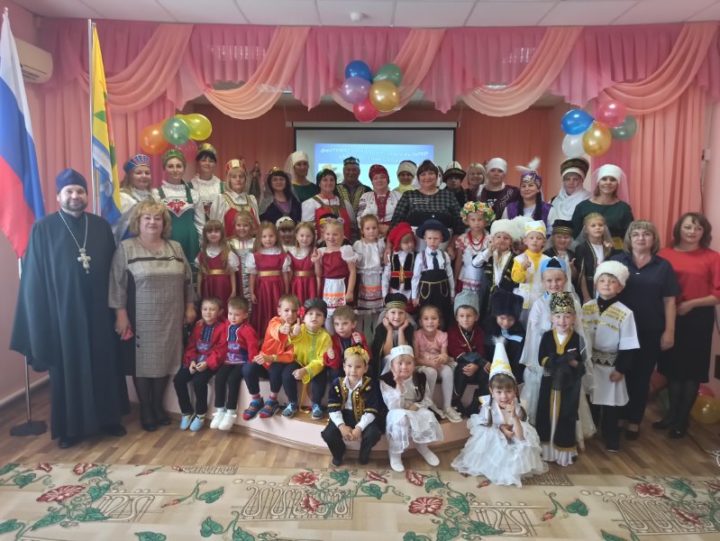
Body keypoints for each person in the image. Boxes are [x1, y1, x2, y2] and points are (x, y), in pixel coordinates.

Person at [12, 168, 128, 449]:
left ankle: (109, 419)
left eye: (80, 191)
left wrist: (119, 310)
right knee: (68, 370)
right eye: (70, 191)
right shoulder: (43, 228)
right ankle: (71, 429)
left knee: (104, 363)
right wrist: (41, 320)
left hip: (99, 312)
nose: (75, 196)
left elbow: (115, 272)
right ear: (58, 196)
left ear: (87, 195)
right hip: (64, 315)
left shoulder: (100, 226)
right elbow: (34, 279)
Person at [109, 199, 196, 433]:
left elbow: (188, 280)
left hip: (172, 315)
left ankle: (158, 405)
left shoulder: (175, 247)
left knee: (167, 360)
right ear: (138, 222)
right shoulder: (126, 248)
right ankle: (146, 408)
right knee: (144, 364)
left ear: (164, 223)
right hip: (141, 316)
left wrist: (190, 306)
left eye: (157, 218)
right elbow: (117, 284)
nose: (152, 222)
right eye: (147, 218)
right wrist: (120, 315)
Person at [611, 220, 679, 440]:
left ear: (654, 239)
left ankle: (634, 420)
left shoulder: (663, 266)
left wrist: (669, 331)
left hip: (650, 330)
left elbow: (669, 301)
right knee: (619, 374)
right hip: (618, 330)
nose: (641, 238)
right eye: (636, 234)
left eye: (646, 234)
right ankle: (618, 417)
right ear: (629, 239)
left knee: (641, 377)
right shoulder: (617, 262)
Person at [655, 212, 720, 438]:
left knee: (691, 372)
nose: (692, 232)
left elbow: (718, 293)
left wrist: (691, 304)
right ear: (679, 229)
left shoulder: (712, 257)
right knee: (672, 369)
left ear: (704, 232)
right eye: (688, 227)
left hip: (698, 319)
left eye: (698, 228)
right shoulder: (664, 254)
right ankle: (671, 416)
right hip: (669, 316)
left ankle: (682, 421)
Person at [451, 339, 547, 486]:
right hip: (495, 438)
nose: (504, 396)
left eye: (508, 391)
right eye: (499, 392)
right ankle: (494, 466)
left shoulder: (518, 406)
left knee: (522, 444)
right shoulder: (488, 407)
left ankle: (514, 468)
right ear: (491, 391)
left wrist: (514, 417)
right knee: (493, 439)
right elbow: (485, 428)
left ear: (515, 390)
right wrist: (501, 429)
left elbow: (521, 437)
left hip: (515, 436)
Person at [519, 257, 588, 426]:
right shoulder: (539, 304)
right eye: (549, 280)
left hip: (567, 352)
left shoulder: (574, 303)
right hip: (546, 353)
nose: (554, 284)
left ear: (566, 279)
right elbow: (533, 333)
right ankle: (541, 425)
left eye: (558, 279)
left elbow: (579, 329)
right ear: (543, 281)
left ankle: (565, 428)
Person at [582, 261, 639, 452]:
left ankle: (611, 437)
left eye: (612, 281)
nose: (606, 284)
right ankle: (588, 434)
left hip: (610, 367)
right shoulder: (586, 308)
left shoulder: (625, 313)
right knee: (590, 402)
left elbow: (629, 344)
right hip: (590, 365)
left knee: (610, 406)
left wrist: (621, 369)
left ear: (620, 287)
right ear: (596, 284)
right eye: (602, 280)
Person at [536, 292, 587, 466]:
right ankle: (547, 450)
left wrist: (572, 362)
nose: (562, 321)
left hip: (569, 385)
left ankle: (563, 451)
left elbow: (581, 365)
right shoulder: (547, 336)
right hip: (549, 381)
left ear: (574, 318)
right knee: (545, 412)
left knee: (566, 414)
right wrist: (558, 360)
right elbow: (541, 359)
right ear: (552, 317)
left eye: (567, 316)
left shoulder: (578, 339)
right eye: (558, 316)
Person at [380, 345, 444, 472]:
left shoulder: (420, 378)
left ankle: (422, 446)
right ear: (392, 366)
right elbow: (392, 406)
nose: (404, 367)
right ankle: (395, 452)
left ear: (414, 365)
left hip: (415, 408)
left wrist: (417, 405)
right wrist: (399, 387)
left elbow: (426, 398)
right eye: (400, 363)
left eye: (408, 363)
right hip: (396, 410)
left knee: (427, 415)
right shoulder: (386, 380)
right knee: (402, 418)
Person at [322, 347, 383, 466]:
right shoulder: (337, 383)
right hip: (343, 414)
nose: (353, 370)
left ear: (365, 368)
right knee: (328, 434)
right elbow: (333, 407)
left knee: (373, 433)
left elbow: (371, 410)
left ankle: (364, 453)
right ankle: (339, 453)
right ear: (344, 367)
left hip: (364, 416)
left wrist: (359, 428)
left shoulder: (370, 385)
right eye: (349, 366)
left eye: (358, 367)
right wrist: (341, 426)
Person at [243, 295, 301, 420]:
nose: (290, 314)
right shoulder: (274, 321)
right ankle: (256, 400)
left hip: (276, 363)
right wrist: (282, 329)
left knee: (276, 368)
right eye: (286, 310)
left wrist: (272, 358)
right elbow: (275, 330)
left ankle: (272, 400)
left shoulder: (299, 330)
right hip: (264, 362)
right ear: (279, 311)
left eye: (294, 311)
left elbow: (290, 356)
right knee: (248, 368)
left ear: (298, 312)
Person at [174, 297, 227, 432]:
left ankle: (200, 414)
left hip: (210, 363)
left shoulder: (223, 328)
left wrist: (207, 363)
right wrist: (192, 360)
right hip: (196, 360)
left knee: (199, 381)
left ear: (220, 312)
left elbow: (220, 350)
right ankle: (186, 411)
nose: (208, 312)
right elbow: (191, 346)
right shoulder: (198, 326)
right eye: (205, 309)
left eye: (212, 309)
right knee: (178, 379)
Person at [391, 160, 465, 251]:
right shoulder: (409, 195)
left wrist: (451, 246)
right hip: (412, 250)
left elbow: (459, 225)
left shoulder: (448, 195)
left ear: (437, 176)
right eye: (423, 174)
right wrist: (389, 246)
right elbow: (396, 223)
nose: (427, 177)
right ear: (418, 178)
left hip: (444, 250)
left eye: (431, 173)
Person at [210, 297, 258, 431]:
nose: (233, 317)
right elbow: (217, 320)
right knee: (219, 378)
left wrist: (251, 362)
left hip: (241, 362)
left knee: (232, 380)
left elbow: (252, 347)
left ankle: (231, 412)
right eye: (230, 314)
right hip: (228, 360)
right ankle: (220, 410)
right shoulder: (227, 325)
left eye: (237, 315)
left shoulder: (247, 330)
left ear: (245, 315)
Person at [153, 149, 205, 266]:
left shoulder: (194, 194)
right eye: (170, 166)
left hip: (191, 243)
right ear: (164, 168)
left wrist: (203, 246)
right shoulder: (156, 194)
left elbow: (201, 224)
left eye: (178, 166)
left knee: (191, 274)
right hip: (167, 242)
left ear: (184, 168)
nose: (175, 170)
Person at [284, 298, 332, 419]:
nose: (314, 317)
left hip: (315, 366)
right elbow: (291, 339)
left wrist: (306, 370)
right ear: (304, 318)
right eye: (310, 313)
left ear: (324, 320)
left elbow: (321, 361)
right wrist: (293, 334)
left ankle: (316, 404)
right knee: (286, 374)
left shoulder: (325, 337)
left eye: (318, 314)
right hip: (298, 362)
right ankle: (292, 402)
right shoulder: (299, 329)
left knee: (320, 378)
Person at [414, 304, 462, 422]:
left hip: (436, 363)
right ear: (420, 322)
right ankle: (428, 403)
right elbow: (415, 359)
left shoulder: (442, 335)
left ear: (439, 321)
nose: (430, 322)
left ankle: (447, 406)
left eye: (434, 318)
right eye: (426, 319)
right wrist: (430, 363)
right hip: (422, 364)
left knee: (447, 371)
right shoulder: (417, 335)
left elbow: (444, 355)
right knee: (431, 372)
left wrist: (442, 358)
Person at [571, 164, 634, 249]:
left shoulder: (624, 208)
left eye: (613, 179)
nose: (608, 182)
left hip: (616, 251)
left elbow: (629, 235)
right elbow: (574, 234)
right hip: (588, 251)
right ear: (598, 182)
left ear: (617, 183)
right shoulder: (582, 207)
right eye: (604, 179)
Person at [448, 292, 487, 417]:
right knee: (463, 368)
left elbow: (481, 350)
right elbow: (456, 352)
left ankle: (480, 402)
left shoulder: (479, 332)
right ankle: (455, 400)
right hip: (459, 364)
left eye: (469, 316)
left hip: (475, 366)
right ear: (456, 317)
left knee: (486, 371)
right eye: (461, 316)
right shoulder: (452, 331)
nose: (465, 319)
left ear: (476, 317)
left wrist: (477, 365)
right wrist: (478, 362)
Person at [314, 219, 358, 329]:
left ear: (342, 236)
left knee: (343, 317)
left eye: (335, 234)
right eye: (328, 234)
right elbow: (319, 274)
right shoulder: (321, 251)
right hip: (327, 289)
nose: (331, 237)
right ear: (323, 235)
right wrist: (317, 261)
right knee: (328, 319)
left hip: (342, 287)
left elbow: (352, 271)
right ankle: (330, 338)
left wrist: (350, 292)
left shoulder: (345, 250)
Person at [248, 222, 290, 335]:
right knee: (263, 308)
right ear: (259, 238)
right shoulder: (255, 255)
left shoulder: (281, 254)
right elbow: (252, 275)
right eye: (264, 236)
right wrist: (251, 292)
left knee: (277, 307)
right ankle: (263, 335)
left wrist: (286, 290)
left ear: (276, 237)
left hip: (277, 287)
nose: (268, 239)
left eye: (271, 236)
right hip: (261, 287)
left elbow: (285, 274)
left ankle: (279, 333)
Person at [411, 219, 455, 328]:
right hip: (426, 293)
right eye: (430, 238)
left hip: (442, 292)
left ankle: (441, 334)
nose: (432, 242)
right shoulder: (420, 256)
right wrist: (414, 296)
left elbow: (450, 275)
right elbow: (416, 277)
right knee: (426, 313)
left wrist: (452, 293)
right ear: (425, 238)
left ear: (441, 239)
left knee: (442, 313)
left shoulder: (444, 255)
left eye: (436, 239)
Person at [511, 219, 550, 324]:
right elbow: (516, 279)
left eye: (539, 238)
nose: (535, 241)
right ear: (525, 241)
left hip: (541, 300)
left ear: (544, 242)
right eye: (531, 238)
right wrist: (523, 268)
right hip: (524, 301)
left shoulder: (548, 260)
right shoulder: (519, 259)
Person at [210, 159, 260, 238]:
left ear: (245, 179)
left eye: (241, 176)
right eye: (234, 177)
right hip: (228, 244)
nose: (238, 179)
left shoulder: (252, 200)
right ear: (229, 180)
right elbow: (213, 228)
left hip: (251, 244)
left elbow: (257, 227)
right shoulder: (221, 200)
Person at [354, 214, 385, 339]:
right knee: (361, 313)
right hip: (363, 280)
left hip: (377, 279)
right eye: (367, 228)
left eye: (374, 228)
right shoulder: (358, 245)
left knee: (377, 312)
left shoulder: (380, 244)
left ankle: (376, 338)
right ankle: (360, 339)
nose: (371, 231)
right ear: (362, 231)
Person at [484, 289, 525, 384]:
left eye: (510, 319)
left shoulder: (519, 333)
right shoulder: (488, 330)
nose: (506, 323)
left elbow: (518, 361)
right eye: (502, 318)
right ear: (496, 316)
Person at [197, 219, 239, 311]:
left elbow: (232, 273)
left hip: (223, 286)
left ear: (222, 234)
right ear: (205, 234)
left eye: (216, 231)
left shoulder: (228, 253)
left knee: (222, 306)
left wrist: (234, 291)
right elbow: (200, 274)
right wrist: (199, 290)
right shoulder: (202, 254)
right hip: (208, 286)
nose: (213, 234)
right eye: (209, 232)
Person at [574, 213, 616, 303]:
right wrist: (586, 297)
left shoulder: (609, 248)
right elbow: (582, 275)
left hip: (607, 287)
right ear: (586, 229)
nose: (597, 227)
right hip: (589, 288)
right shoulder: (582, 248)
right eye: (593, 225)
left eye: (600, 225)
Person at [302, 168, 354, 241]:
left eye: (332, 180)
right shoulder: (310, 203)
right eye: (325, 180)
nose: (329, 183)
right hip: (321, 246)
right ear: (319, 183)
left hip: (345, 245)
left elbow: (353, 227)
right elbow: (307, 231)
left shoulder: (345, 203)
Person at [371, 293, 415, 377]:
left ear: (405, 315)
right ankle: (386, 382)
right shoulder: (381, 328)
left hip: (404, 364)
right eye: (393, 312)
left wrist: (401, 330)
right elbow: (387, 353)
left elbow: (404, 352)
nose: (397, 316)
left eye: (401, 313)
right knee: (390, 359)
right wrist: (389, 330)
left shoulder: (408, 328)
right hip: (386, 364)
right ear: (386, 314)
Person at [454, 201, 493, 294]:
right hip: (465, 276)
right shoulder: (463, 239)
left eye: (480, 219)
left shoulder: (490, 239)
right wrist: (455, 278)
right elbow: (459, 260)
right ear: (467, 221)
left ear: (486, 221)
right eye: (473, 220)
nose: (476, 223)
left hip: (483, 276)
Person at [114, 153, 153, 243]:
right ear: (130, 176)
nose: (144, 176)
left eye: (147, 173)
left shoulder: (154, 197)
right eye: (138, 173)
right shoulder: (123, 197)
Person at [502, 159, 552, 227]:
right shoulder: (509, 209)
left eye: (530, 185)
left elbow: (552, 232)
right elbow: (503, 229)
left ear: (538, 189)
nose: (527, 189)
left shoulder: (548, 210)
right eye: (523, 186)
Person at [357, 164, 401, 237]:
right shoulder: (365, 196)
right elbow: (360, 218)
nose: (379, 180)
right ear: (372, 182)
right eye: (375, 178)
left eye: (382, 177)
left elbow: (403, 218)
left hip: (394, 233)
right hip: (371, 234)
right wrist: (378, 227)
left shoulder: (398, 195)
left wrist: (389, 229)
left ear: (388, 180)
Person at [547, 157, 591, 225]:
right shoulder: (553, 201)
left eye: (575, 179)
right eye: (567, 179)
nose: (571, 182)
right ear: (563, 181)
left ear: (581, 180)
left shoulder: (589, 200)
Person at [382, 222, 416, 302]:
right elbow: (386, 276)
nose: (409, 245)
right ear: (398, 243)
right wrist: (385, 294)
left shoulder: (415, 256)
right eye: (406, 243)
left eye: (411, 241)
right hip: (394, 291)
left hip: (409, 293)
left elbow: (416, 276)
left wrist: (415, 295)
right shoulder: (391, 256)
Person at [228, 210, 256, 301]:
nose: (242, 228)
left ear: (251, 226)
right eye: (239, 225)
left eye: (245, 225)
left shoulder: (256, 242)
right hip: (236, 279)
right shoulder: (230, 243)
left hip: (253, 279)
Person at [288, 221, 318, 305]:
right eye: (302, 235)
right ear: (296, 236)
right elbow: (289, 273)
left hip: (311, 284)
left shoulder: (315, 251)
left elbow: (318, 273)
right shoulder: (291, 252)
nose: (305, 239)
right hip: (296, 284)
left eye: (308, 236)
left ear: (313, 237)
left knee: (310, 305)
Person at [191, 143, 223, 218]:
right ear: (198, 162)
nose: (207, 163)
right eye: (203, 160)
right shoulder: (190, 186)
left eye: (211, 161)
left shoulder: (221, 186)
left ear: (215, 164)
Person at [337, 156, 371, 221]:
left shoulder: (367, 190)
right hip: (340, 226)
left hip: (362, 226)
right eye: (348, 170)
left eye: (354, 170)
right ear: (343, 171)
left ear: (359, 172)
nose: (351, 173)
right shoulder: (335, 189)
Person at [544, 219, 576, 289]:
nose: (563, 240)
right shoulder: (547, 254)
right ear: (553, 238)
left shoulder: (573, 255)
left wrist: (572, 268)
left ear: (571, 239)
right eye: (559, 237)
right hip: (551, 288)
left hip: (569, 289)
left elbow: (575, 278)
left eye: (566, 237)